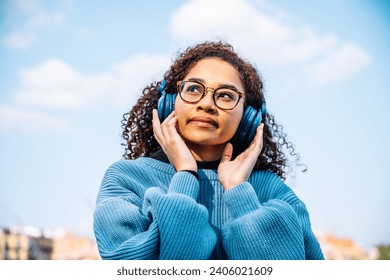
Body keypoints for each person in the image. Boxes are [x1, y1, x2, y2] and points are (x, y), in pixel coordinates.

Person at [93, 41, 324, 260]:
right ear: (170, 101)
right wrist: (185, 175)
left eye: (225, 95)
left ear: (248, 118)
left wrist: (240, 193)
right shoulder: (125, 178)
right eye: (194, 89)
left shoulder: (272, 190)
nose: (206, 104)